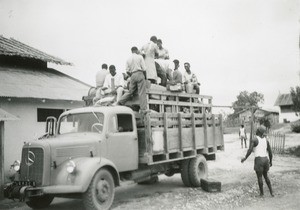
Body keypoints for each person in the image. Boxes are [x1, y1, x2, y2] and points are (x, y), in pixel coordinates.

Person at [241, 126, 274, 197]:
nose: (256, 131)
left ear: (258, 131)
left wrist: (245, 158)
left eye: (257, 130)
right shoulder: (266, 140)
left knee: (259, 177)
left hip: (259, 160)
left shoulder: (255, 139)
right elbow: (270, 152)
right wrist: (271, 161)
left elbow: (250, 150)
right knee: (266, 176)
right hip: (265, 160)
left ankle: (262, 193)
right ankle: (271, 192)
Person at [118, 46, 147, 112]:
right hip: (140, 73)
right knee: (141, 92)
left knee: (130, 91)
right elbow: (144, 69)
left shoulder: (128, 59)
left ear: (131, 51)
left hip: (133, 75)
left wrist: (132, 75)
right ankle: (143, 108)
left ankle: (121, 101)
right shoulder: (140, 57)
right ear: (136, 50)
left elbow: (127, 71)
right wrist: (145, 77)